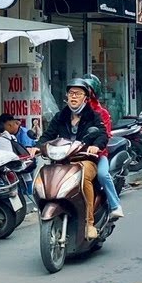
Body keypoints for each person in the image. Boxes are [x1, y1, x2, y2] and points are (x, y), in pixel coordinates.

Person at [37, 79, 108, 239]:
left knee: (83, 179)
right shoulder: (60, 116)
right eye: (71, 93)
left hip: (85, 160)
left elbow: (102, 134)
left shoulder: (93, 116)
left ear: (86, 98)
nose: (73, 97)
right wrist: (38, 145)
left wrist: (96, 145)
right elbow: (48, 135)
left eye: (78, 94)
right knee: (47, 176)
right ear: (66, 96)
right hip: (62, 161)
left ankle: (89, 223)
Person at [84, 74, 123, 219]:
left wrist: (96, 146)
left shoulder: (102, 113)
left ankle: (115, 205)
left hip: (98, 155)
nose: (84, 97)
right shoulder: (71, 113)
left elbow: (104, 135)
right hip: (76, 154)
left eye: (87, 92)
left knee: (102, 174)